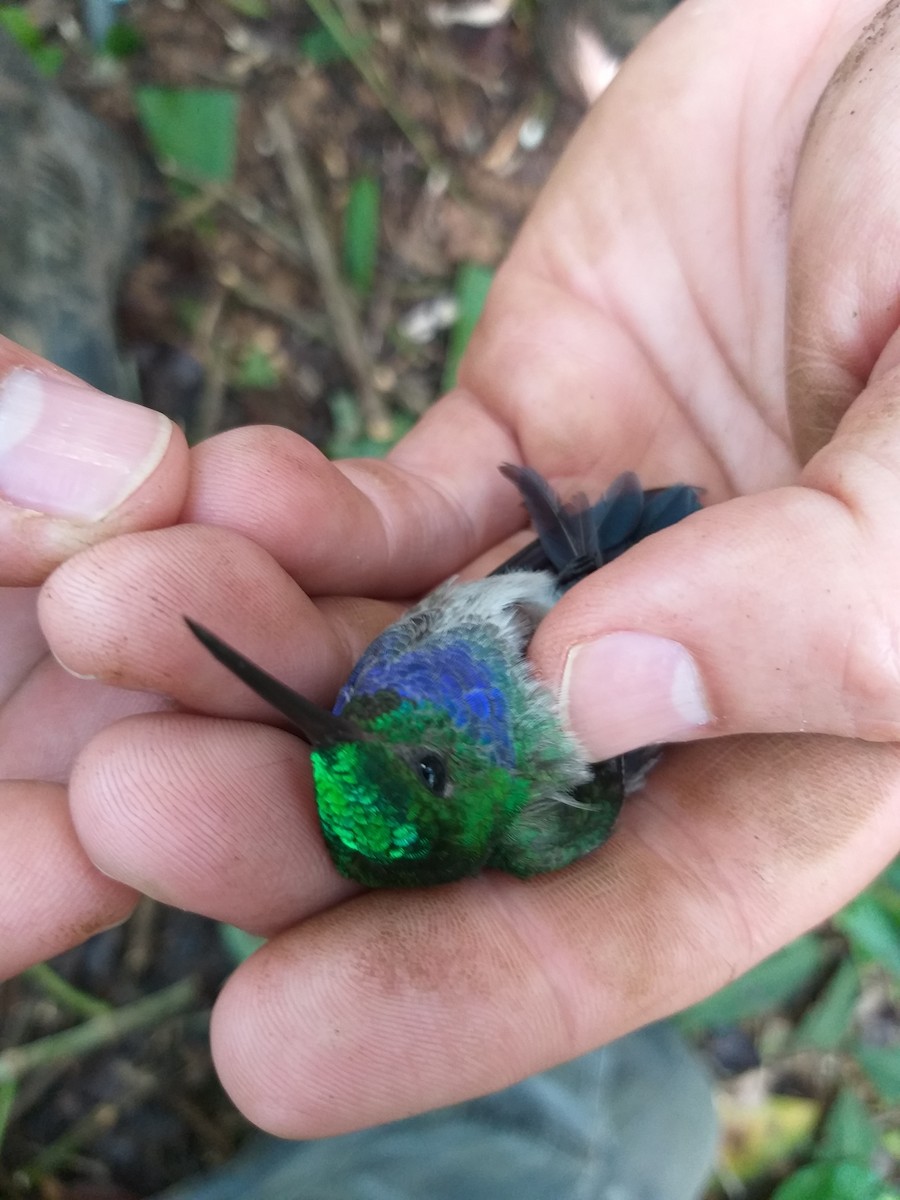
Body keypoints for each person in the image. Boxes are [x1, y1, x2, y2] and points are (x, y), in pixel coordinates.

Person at [2, 0, 900, 1190]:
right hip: (560, 616)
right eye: (402, 763)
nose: (348, 716)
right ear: (458, 788)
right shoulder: (526, 805)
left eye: (346, 735)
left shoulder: (379, 698)